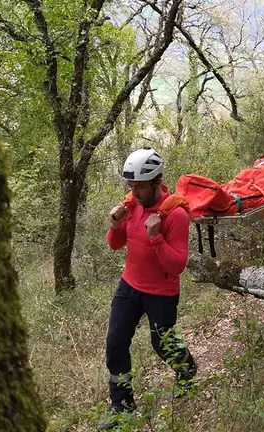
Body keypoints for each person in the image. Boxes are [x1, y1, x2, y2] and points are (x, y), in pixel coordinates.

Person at [99, 148, 197, 430]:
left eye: (140, 186)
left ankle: (187, 369)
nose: (135, 192)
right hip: (129, 286)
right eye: (131, 186)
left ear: (157, 182)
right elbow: (115, 245)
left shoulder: (175, 215)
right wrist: (116, 225)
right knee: (115, 343)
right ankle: (122, 407)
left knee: (162, 344)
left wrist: (155, 237)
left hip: (161, 293)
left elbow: (177, 264)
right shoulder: (131, 207)